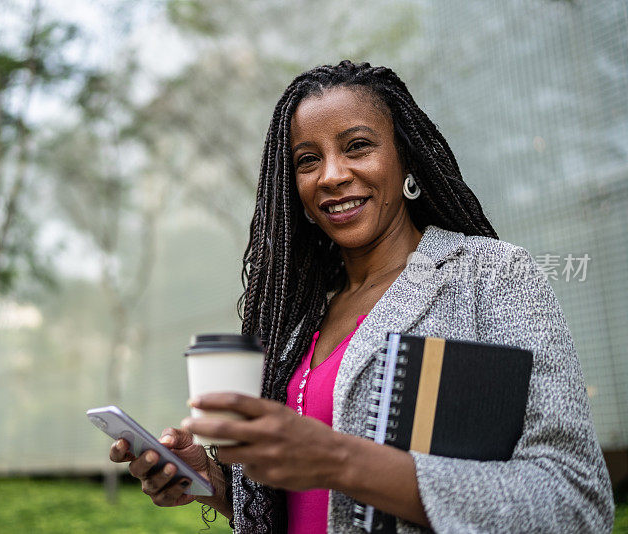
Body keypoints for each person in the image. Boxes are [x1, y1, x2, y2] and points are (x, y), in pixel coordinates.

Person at [108, 60, 615, 533]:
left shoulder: (490, 278)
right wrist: (213, 484)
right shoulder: (299, 321)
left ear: (405, 160)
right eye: (308, 160)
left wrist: (341, 459)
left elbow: (575, 500)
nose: (331, 175)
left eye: (357, 146)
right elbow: (304, 504)